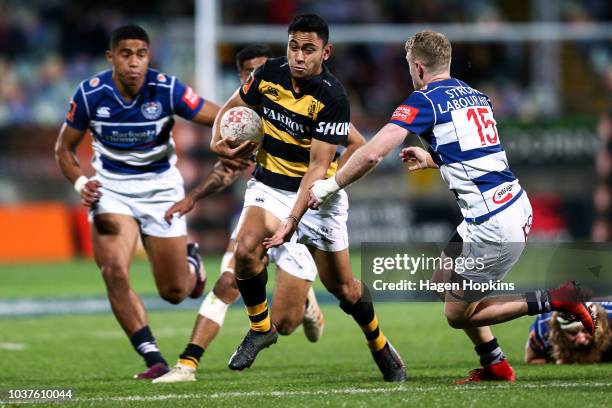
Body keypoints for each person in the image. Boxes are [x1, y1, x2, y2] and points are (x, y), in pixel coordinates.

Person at [309, 30, 596, 383]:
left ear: (417, 66)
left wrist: (329, 185)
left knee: (457, 313)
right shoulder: (476, 96)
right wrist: (432, 159)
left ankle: (555, 299)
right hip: (504, 207)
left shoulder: (423, 100)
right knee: (442, 279)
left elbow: (372, 152)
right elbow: (476, 155)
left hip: (493, 224)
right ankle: (495, 364)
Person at [153, 43, 368, 383]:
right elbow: (228, 169)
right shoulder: (246, 120)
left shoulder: (307, 103)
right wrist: (192, 197)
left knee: (284, 322)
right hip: (265, 204)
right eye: (251, 72)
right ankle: (187, 364)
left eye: (265, 68)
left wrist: (330, 179)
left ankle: (306, 302)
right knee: (231, 276)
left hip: (305, 209)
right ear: (243, 78)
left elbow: (357, 143)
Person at [210, 14, 406, 382]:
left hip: (316, 197)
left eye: (309, 49)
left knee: (345, 290)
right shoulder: (268, 74)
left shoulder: (333, 97)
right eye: (293, 47)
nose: (299, 56)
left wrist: (291, 221)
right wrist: (215, 142)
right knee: (246, 250)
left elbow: (318, 167)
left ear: (325, 52)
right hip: (269, 187)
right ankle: (259, 328)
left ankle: (378, 342)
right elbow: (232, 105)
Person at [54, 25, 215, 379]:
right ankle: (153, 358)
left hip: (161, 190)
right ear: (111, 57)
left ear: (149, 57)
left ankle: (192, 266)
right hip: (111, 190)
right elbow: (63, 149)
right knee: (113, 269)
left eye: (141, 54)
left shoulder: (167, 88)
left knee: (174, 292)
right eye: (126, 54)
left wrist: (244, 132)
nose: (133, 62)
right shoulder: (90, 94)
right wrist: (81, 181)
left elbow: (215, 117)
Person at [526, 302, 612, 364]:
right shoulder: (543, 326)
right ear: (559, 331)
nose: (581, 340)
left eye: (586, 330)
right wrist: (554, 360)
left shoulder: (610, 318)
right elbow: (531, 359)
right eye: (572, 333)